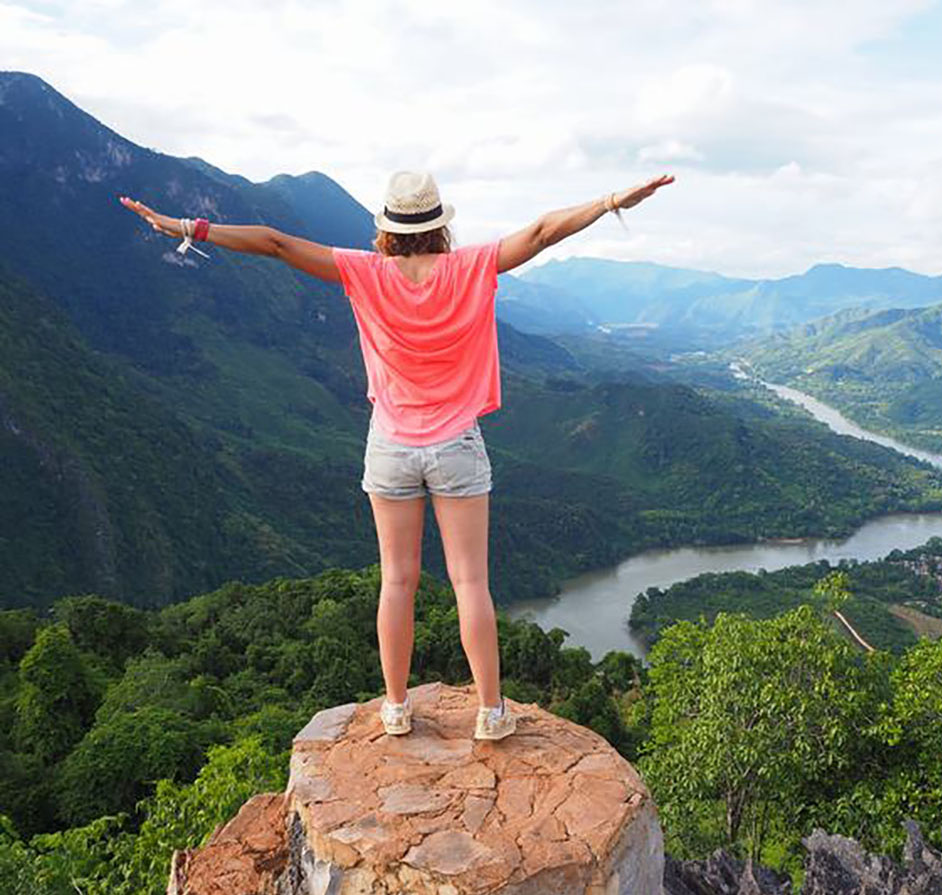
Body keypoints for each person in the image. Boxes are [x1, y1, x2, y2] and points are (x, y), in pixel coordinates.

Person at [120, 169, 675, 740]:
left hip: (390, 445)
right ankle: (490, 711)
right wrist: (611, 201)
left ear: (387, 229)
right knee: (470, 584)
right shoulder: (468, 268)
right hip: (456, 444)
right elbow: (539, 233)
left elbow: (275, 242)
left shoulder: (365, 273)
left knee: (397, 582)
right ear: (438, 225)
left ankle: (394, 707)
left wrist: (189, 226)